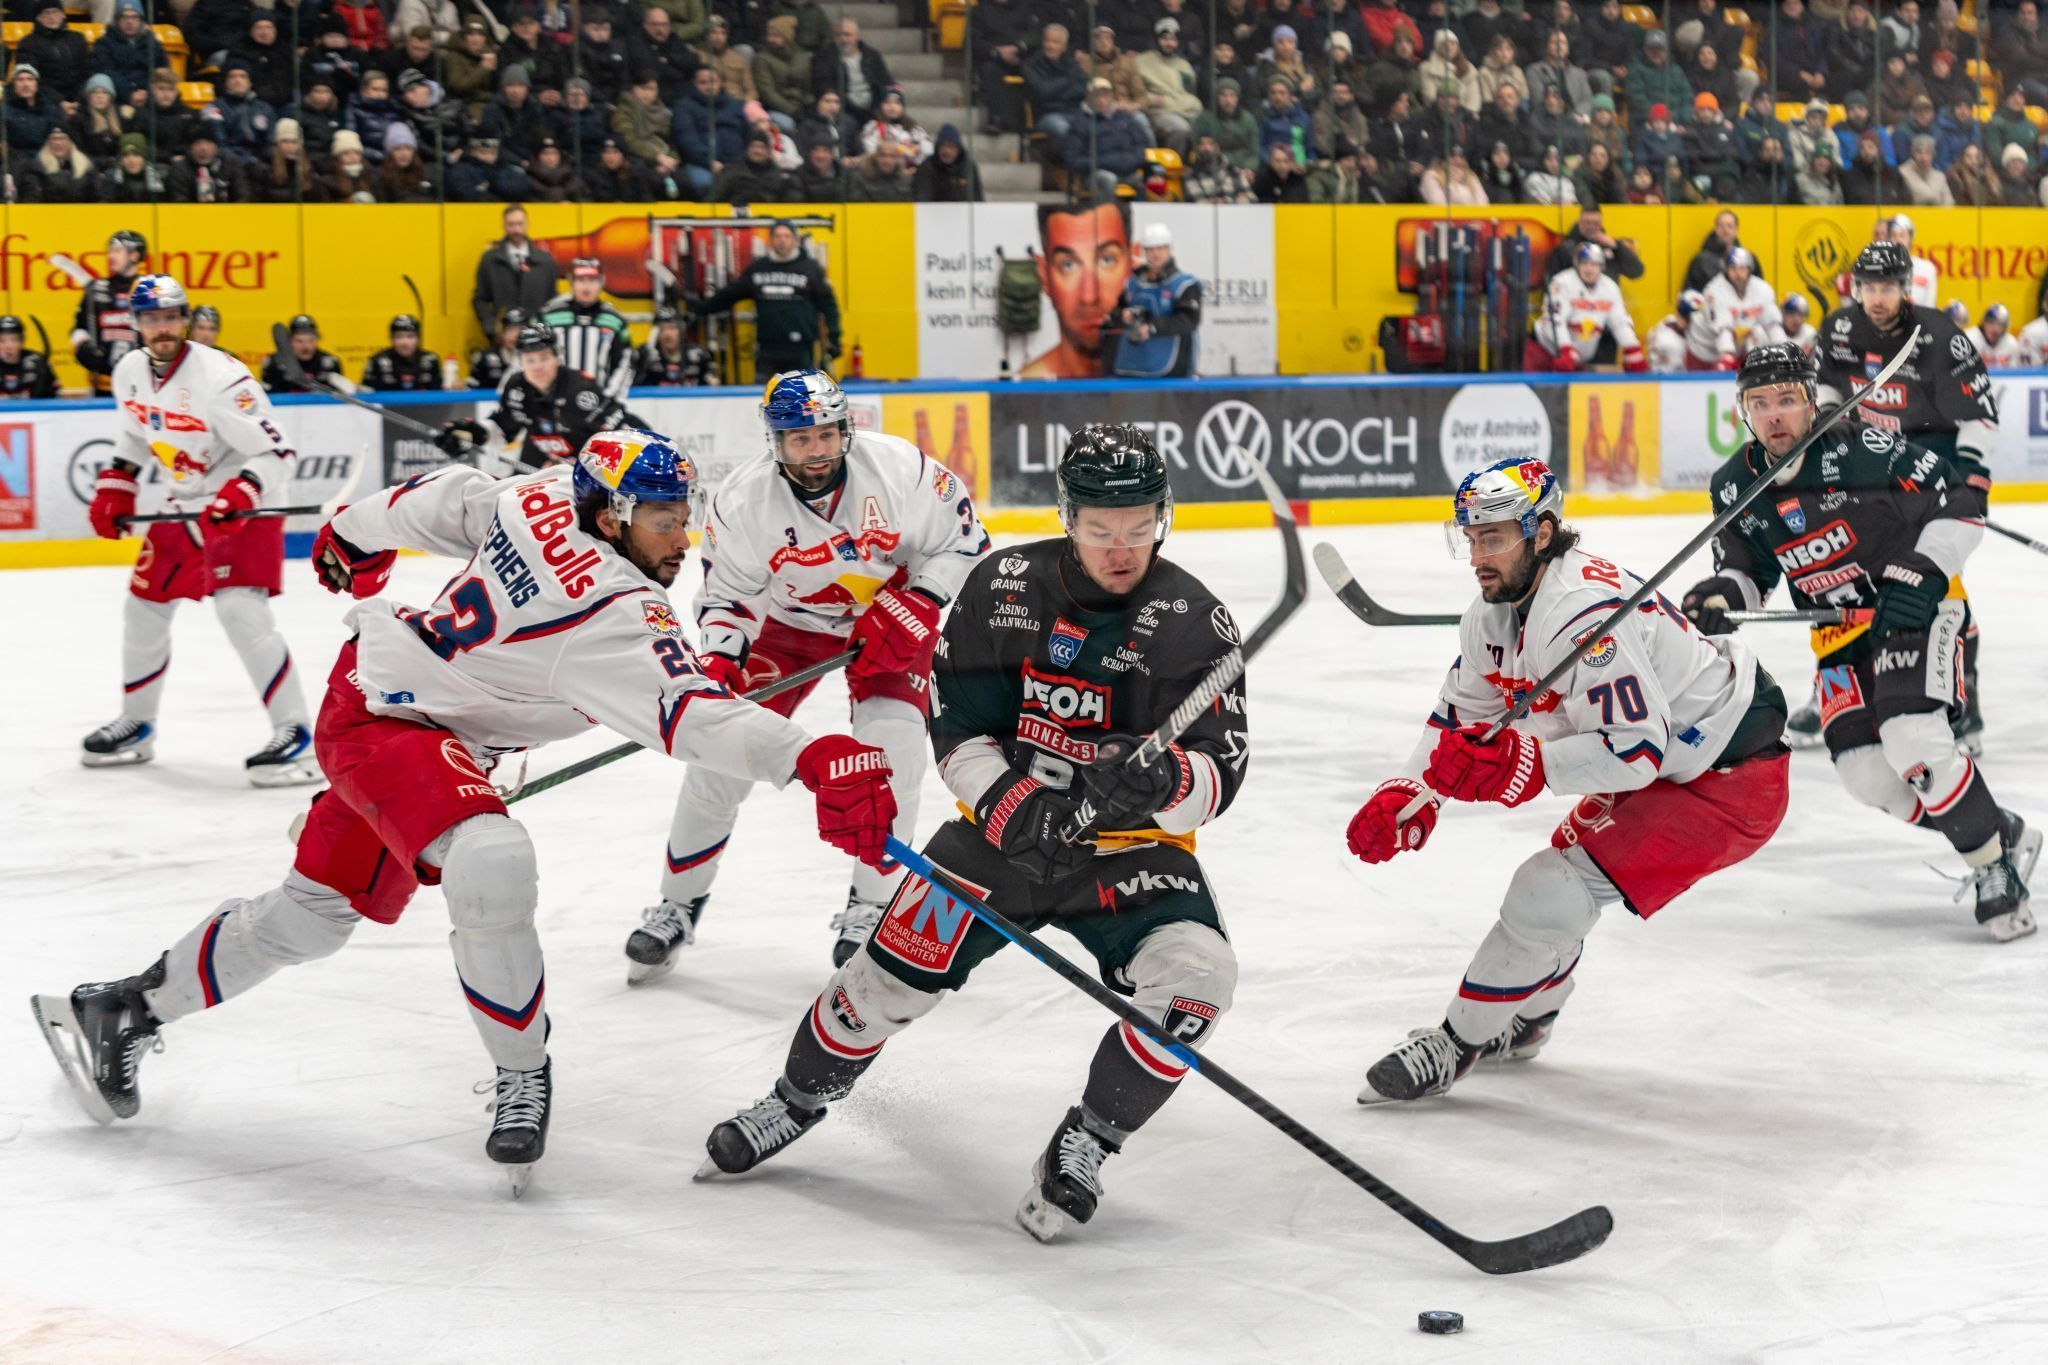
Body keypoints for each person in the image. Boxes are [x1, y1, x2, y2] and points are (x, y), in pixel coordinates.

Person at [34, 430, 902, 1193]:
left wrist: (353, 531)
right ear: (610, 517)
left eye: (684, 515)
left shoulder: (545, 494)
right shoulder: (621, 614)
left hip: (391, 703)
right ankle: (523, 1072)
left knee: (310, 917)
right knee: (491, 857)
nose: (684, 537)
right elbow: (695, 718)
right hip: (394, 721)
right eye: (663, 520)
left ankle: (125, 1007)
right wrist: (813, 757)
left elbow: (448, 497)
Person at [697, 423, 1249, 1247]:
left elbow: (1224, 769)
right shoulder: (1006, 585)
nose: (1121, 546)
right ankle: (797, 1098)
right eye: (1100, 528)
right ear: (1068, 515)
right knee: (877, 990)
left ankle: (1088, 1141)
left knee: (1199, 980)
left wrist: (1165, 785)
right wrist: (1010, 805)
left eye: (1138, 525)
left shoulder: (1195, 620)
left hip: (1133, 856)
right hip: (998, 841)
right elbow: (956, 725)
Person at [1351, 457, 1788, 1102]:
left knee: (1547, 889)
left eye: (1494, 537)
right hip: (1678, 763)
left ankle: (1455, 1043)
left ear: (1544, 532)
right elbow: (1460, 716)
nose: (1478, 555)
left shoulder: (1579, 613)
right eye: (1470, 537)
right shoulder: (1493, 613)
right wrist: (1410, 790)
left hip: (1728, 780)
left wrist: (1527, 767)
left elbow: (1636, 751)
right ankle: (1526, 1021)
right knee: (1557, 894)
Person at [628, 370, 990, 974]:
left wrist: (924, 599)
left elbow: (964, 541)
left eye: (825, 434)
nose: (815, 450)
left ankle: (871, 906)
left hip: (890, 620)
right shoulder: (743, 499)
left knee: (894, 750)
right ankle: (678, 904)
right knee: (717, 759)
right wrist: (721, 656)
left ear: (846, 429)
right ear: (775, 442)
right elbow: (728, 597)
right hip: (789, 629)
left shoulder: (901, 469)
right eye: (799, 439)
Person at [1682, 345, 2037, 941]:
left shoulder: (1862, 448)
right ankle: (1992, 827)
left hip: (1916, 608)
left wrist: (1923, 571)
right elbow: (1748, 572)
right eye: (1759, 403)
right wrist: (1722, 595)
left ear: (1810, 400)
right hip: (1840, 633)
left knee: (1912, 736)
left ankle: (1993, 867)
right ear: (1742, 409)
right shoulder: (1733, 485)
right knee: (1867, 775)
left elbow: (1959, 503)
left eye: (1787, 401)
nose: (1775, 416)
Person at [79, 275, 318, 786]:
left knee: (240, 613)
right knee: (142, 609)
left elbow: (278, 453)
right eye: (151, 319)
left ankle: (296, 732)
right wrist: (117, 482)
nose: (162, 328)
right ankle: (138, 723)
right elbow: (136, 432)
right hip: (183, 506)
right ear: (137, 323)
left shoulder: (222, 378)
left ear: (184, 319)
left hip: (244, 508)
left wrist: (240, 493)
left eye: (170, 317)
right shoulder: (128, 372)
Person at [1809, 240, 1998, 756]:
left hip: (1929, 479)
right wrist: (1831, 418)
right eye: (1869, 286)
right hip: (1868, 479)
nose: (1877, 297)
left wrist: (1972, 481)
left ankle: (1966, 707)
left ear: (1905, 286)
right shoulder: (1840, 329)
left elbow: (1978, 413)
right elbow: (1822, 385)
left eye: (1887, 286)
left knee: (1937, 586)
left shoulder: (1937, 334)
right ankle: (1839, 694)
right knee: (1849, 584)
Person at [437, 320, 642, 473]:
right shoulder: (517, 388)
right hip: (542, 458)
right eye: (530, 359)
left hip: (588, 466)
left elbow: (619, 435)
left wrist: (582, 467)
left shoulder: (579, 390)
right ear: (521, 361)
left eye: (544, 358)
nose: (537, 366)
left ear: (557, 356)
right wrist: (471, 435)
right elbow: (504, 428)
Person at [689, 219, 841, 379]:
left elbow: (829, 305)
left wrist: (834, 337)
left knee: (801, 399)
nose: (782, 240)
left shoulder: (810, 268)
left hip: (801, 349)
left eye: (786, 236)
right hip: (767, 349)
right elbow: (729, 295)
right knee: (765, 399)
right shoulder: (759, 268)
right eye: (777, 236)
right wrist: (700, 308)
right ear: (771, 240)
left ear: (795, 240)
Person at [1022, 199, 1132, 380]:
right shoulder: (1024, 397)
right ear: (1044, 276)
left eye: (1107, 260)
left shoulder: (1157, 386)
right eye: (1068, 265)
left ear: (1132, 265)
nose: (1089, 297)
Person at [1527, 244, 1646, 374]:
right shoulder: (1561, 283)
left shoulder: (1610, 287)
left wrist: (1631, 348)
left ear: (1602, 266)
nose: (1589, 269)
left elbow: (1620, 321)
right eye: (1585, 263)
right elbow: (1555, 319)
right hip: (1544, 352)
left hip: (1576, 360)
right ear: (1577, 265)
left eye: (1594, 264)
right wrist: (1565, 348)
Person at [1107, 223, 1200, 379]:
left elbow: (1188, 321)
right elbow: (1115, 311)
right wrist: (1122, 314)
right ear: (1144, 252)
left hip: (1170, 367)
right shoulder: (1133, 282)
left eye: (1160, 248)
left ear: (1169, 250)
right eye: (1150, 249)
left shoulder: (1184, 285)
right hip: (1131, 363)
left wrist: (1151, 327)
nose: (1155, 254)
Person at [537, 257, 634, 403]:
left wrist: (610, 397)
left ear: (601, 283)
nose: (586, 286)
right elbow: (535, 357)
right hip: (556, 401)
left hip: (597, 401)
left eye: (592, 280)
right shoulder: (550, 316)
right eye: (581, 280)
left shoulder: (614, 319)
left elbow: (624, 362)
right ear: (571, 282)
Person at [70, 229, 145, 397]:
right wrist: (83, 348)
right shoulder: (96, 289)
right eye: (110, 251)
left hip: (141, 388)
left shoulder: (148, 288)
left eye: (117, 251)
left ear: (134, 255)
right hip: (102, 388)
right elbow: (78, 328)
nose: (111, 256)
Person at [471, 204, 560, 339]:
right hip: (502, 338)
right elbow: (479, 299)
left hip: (537, 339)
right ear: (504, 226)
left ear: (527, 225)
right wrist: (491, 326)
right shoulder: (490, 260)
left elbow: (553, 301)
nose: (516, 229)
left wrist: (545, 330)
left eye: (519, 224)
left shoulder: (545, 261)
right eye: (511, 224)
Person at [1702, 247, 1784, 368]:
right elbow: (1721, 330)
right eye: (1733, 269)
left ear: (1749, 270)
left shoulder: (1762, 289)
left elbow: (1773, 325)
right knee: (1724, 350)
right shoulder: (1714, 291)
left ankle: (1756, 366)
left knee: (1758, 332)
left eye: (1742, 268)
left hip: (1751, 342)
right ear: (1726, 270)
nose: (1738, 274)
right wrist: (1727, 356)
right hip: (1716, 347)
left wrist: (1783, 351)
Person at [261, 314, 351, 394]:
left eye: (311, 340)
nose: (306, 346)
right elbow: (269, 397)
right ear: (289, 341)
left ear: (317, 340)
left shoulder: (330, 363)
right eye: (299, 341)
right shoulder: (273, 363)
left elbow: (339, 400)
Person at [632, 303, 714, 385]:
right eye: (661, 329)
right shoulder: (644, 355)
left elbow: (713, 385)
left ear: (681, 330)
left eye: (672, 328)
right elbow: (631, 387)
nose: (667, 334)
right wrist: (641, 366)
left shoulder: (699, 354)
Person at [361, 313, 442, 391]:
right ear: (391, 339)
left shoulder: (431, 360)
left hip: (423, 405)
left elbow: (439, 394)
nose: (404, 342)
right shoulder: (377, 361)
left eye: (410, 336)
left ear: (418, 339)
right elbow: (366, 396)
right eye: (399, 337)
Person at [0, 314, 58, 398]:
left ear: (22, 342)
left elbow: (55, 398)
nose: (8, 346)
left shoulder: (38, 363)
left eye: (14, 340)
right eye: (2, 340)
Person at [469, 307, 524, 389]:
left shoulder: (534, 359)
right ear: (501, 331)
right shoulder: (484, 357)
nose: (514, 336)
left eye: (519, 331)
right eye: (509, 330)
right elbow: (471, 388)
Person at [1968, 304, 2023, 368]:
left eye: (2001, 325)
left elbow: (2014, 374)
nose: (1995, 329)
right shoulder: (1969, 339)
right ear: (1984, 323)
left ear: (2005, 328)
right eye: (1991, 322)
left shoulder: (2011, 343)